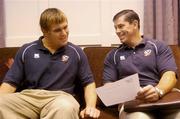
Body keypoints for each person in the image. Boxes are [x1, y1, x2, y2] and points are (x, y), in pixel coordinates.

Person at [0, 8, 100, 119]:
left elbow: (88, 83)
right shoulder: (26, 50)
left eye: (65, 27)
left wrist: (91, 107)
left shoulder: (76, 52)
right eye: (57, 30)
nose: (64, 33)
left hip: (60, 98)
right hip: (30, 98)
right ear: (45, 31)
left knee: (65, 107)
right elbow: (10, 83)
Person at [103, 9, 180, 119]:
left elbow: (170, 75)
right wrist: (129, 92)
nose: (117, 31)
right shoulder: (112, 56)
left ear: (135, 24)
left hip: (164, 98)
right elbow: (108, 87)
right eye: (115, 28)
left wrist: (157, 91)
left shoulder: (158, 46)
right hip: (134, 104)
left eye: (120, 26)